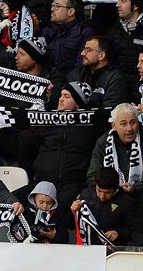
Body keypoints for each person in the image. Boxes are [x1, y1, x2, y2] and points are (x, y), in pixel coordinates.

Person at [25, 81, 103, 209]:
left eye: (67, 96)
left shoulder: (92, 128)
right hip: (43, 181)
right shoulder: (47, 123)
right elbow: (24, 145)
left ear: (78, 104)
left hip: (72, 183)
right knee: (13, 201)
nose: (60, 100)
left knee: (62, 208)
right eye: (61, 95)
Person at [87, 102, 143, 194]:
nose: (129, 129)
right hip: (112, 196)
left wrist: (136, 187)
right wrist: (113, 188)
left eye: (133, 123)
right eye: (123, 124)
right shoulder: (103, 142)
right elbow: (92, 177)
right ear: (114, 126)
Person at [70, 168, 136, 247]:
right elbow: (70, 224)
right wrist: (73, 211)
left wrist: (119, 233)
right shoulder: (85, 195)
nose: (102, 196)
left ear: (116, 189)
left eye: (107, 192)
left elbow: (135, 229)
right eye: (99, 190)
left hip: (113, 250)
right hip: (87, 248)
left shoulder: (127, 201)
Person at [41, 0, 93, 78]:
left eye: (57, 6)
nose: (52, 9)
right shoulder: (47, 30)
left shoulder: (85, 33)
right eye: (53, 5)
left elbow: (80, 67)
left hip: (69, 85)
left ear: (71, 12)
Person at [69, 36, 129, 109]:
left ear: (101, 55)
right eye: (84, 49)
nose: (82, 53)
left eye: (88, 50)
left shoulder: (115, 78)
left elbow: (109, 110)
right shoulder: (78, 73)